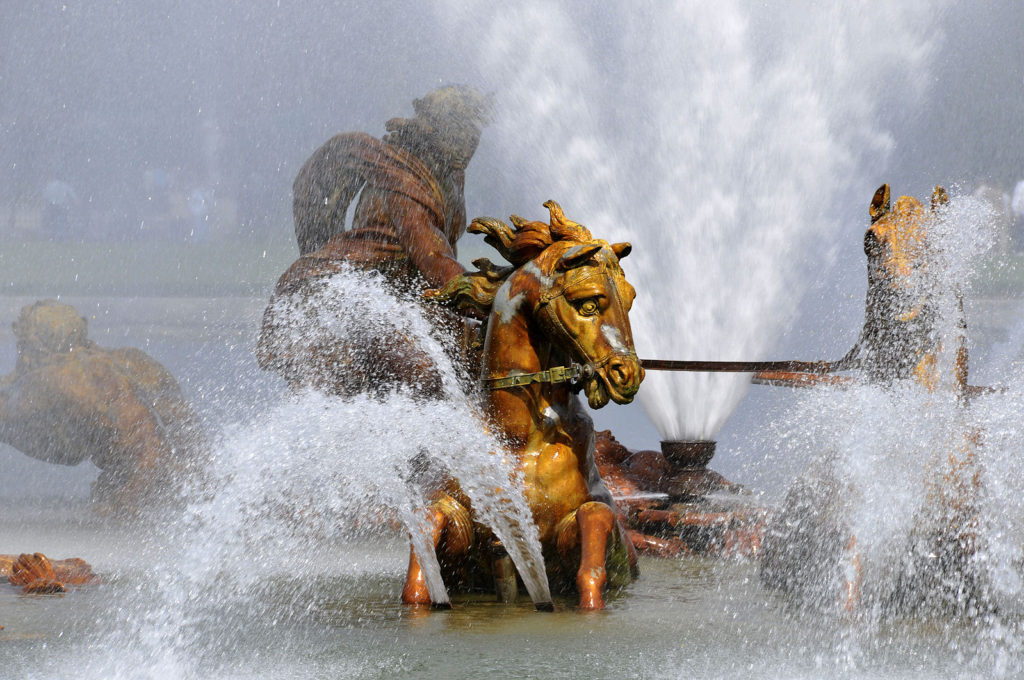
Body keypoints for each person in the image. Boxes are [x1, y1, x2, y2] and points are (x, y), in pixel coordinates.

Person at [257, 86, 492, 396]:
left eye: (475, 132)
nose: (471, 141)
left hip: (394, 296)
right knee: (421, 372)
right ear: (438, 129)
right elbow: (436, 262)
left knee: (473, 358)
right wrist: (501, 297)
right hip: (342, 294)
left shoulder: (447, 175)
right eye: (464, 130)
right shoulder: (403, 178)